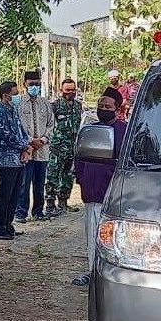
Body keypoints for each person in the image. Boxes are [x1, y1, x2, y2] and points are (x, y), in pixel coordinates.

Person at [71, 87, 128, 286]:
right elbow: (79, 156)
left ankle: (114, 275)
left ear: (118, 109)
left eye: (108, 106)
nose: (103, 109)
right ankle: (92, 271)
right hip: (92, 192)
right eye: (101, 106)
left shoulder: (126, 131)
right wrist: (81, 177)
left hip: (115, 193)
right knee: (92, 232)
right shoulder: (90, 130)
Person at [0, 81, 32, 240]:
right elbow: (7, 136)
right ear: (6, 95)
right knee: (3, 196)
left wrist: (27, 148)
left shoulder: (13, 111)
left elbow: (21, 132)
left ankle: (8, 225)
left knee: (14, 196)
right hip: (5, 161)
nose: (18, 96)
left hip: (18, 160)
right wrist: (24, 147)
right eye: (15, 93)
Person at [15, 70, 54, 223]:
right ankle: (21, 213)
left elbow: (51, 125)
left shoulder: (45, 103)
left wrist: (43, 140)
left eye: (37, 84)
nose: (34, 87)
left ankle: (38, 211)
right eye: (31, 84)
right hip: (27, 150)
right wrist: (31, 141)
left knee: (39, 184)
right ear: (25, 84)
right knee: (24, 183)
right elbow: (17, 126)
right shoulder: (18, 103)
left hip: (42, 151)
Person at [45, 78, 83, 217]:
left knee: (68, 176)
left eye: (73, 90)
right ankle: (50, 205)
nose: (70, 92)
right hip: (57, 146)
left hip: (72, 147)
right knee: (53, 175)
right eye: (67, 90)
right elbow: (49, 125)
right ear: (61, 90)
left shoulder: (78, 106)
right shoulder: (54, 105)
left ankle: (63, 202)